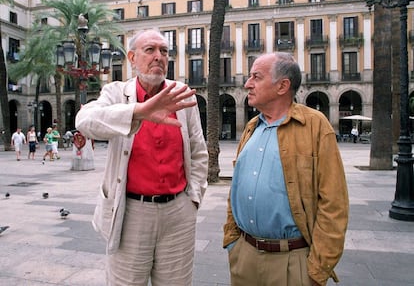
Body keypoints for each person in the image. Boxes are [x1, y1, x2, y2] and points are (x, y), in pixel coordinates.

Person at [75, 28, 208, 286]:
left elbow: (198, 151)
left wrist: (193, 199)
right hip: (131, 213)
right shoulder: (116, 93)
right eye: (150, 50)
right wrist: (139, 111)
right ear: (132, 58)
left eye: (164, 51)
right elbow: (85, 120)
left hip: (178, 213)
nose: (159, 56)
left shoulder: (180, 94)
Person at [223, 52, 349, 286]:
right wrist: (232, 242)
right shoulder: (252, 127)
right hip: (244, 257)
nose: (247, 83)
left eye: (256, 77)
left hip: (293, 262)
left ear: (282, 86)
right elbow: (237, 186)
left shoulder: (315, 125)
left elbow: (334, 203)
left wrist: (317, 269)